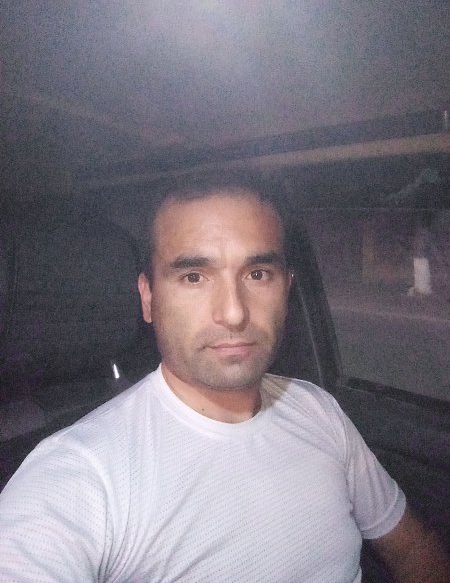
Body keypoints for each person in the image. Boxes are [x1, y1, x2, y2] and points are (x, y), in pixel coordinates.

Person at [0, 172, 449, 582]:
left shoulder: (317, 409)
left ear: (287, 289)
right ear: (148, 298)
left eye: (258, 273)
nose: (233, 312)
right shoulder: (79, 475)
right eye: (194, 277)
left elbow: (410, 549)